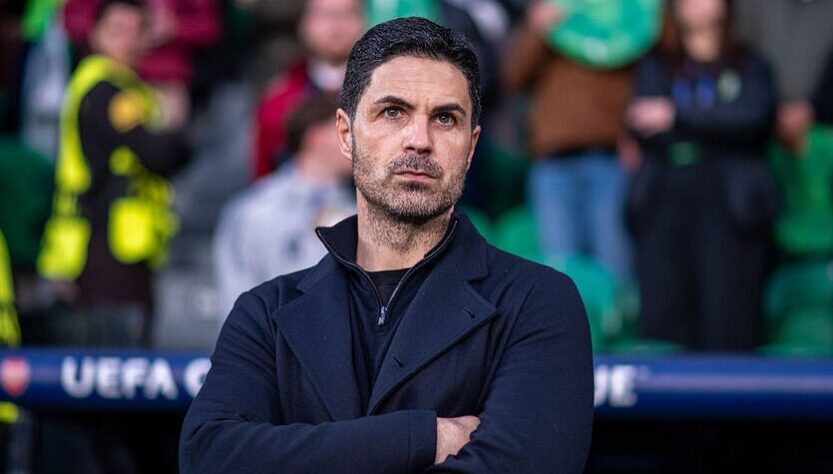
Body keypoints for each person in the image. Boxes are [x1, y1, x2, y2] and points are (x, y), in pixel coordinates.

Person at [181, 17, 593, 473]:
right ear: (345, 134)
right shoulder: (265, 313)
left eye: (445, 118)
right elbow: (209, 457)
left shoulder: (537, 302)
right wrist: (422, 437)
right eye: (393, 112)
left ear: (471, 147)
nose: (419, 140)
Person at [626, 0, 776, 351]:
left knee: (727, 315)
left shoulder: (749, 64)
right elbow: (642, 122)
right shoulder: (657, 64)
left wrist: (676, 116)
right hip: (664, 199)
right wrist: (713, 122)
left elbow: (752, 118)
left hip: (729, 205)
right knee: (664, 317)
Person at [38, 0, 186, 347]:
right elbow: (159, 153)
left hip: (121, 247)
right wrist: (173, 125)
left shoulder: (127, 87)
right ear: (94, 34)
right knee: (115, 358)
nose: (128, 41)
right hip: (105, 249)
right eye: (117, 31)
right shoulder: (108, 90)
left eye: (137, 31)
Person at [503, 0, 637, 281]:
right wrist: (537, 29)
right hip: (553, 160)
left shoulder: (630, 12)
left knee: (613, 269)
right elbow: (513, 77)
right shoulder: (551, 11)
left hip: (611, 157)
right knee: (559, 271)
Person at [214, 93, 355, 316]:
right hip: (266, 335)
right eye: (345, 131)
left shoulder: (357, 210)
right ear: (316, 137)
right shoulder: (255, 210)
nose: (356, 142)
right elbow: (236, 294)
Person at [252, 0, 363, 179]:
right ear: (303, 24)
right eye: (326, 15)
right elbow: (265, 178)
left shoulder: (380, 92)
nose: (337, 26)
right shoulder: (279, 102)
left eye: (347, 14)